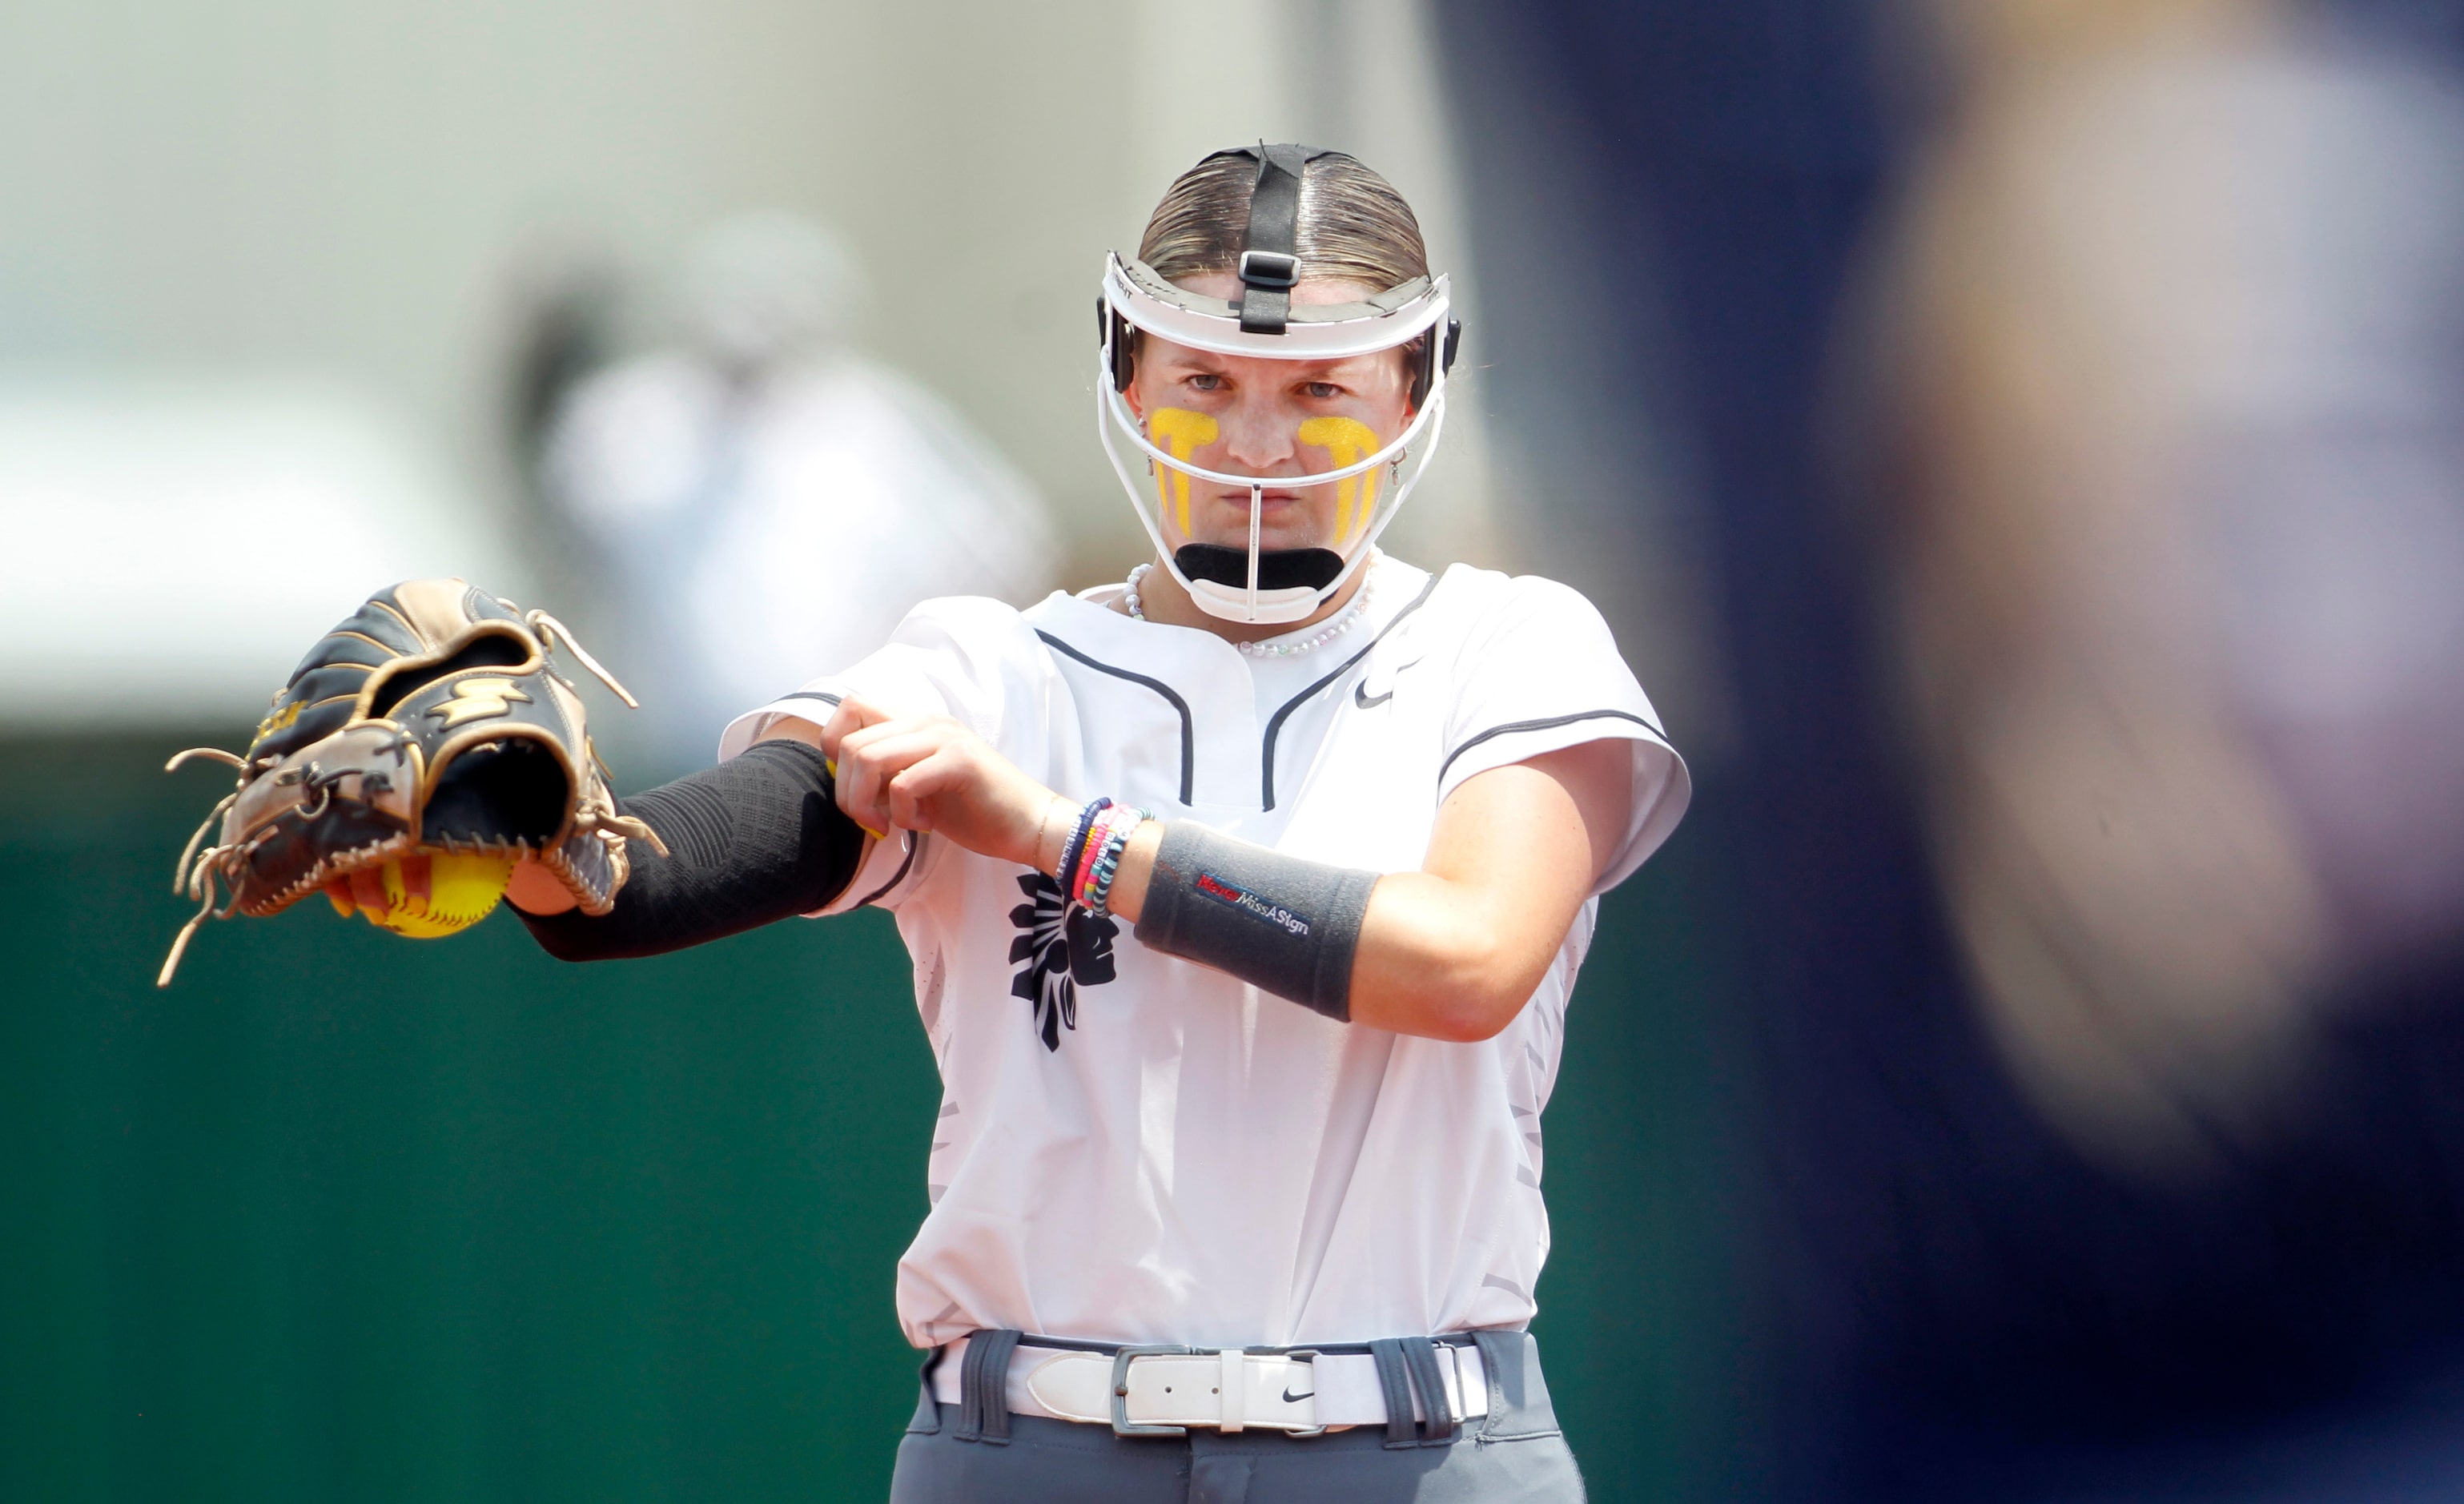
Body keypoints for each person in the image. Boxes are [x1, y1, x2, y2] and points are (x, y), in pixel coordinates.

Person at [376, 145, 1688, 1500]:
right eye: (1203, 379)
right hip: (1037, 1444)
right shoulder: (991, 665)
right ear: (1128, 374)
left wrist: (1063, 835)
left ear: (1412, 383)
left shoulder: (1509, 643)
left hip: (1416, 1440)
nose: (1255, 442)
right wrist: (510, 829)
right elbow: (655, 879)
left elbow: (1466, 961)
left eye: (1318, 388)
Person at [535, 211, 1061, 768]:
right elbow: (571, 531)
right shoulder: (629, 414)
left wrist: (904, 655)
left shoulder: (872, 420)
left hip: (822, 742)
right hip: (658, 743)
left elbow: (1007, 538)